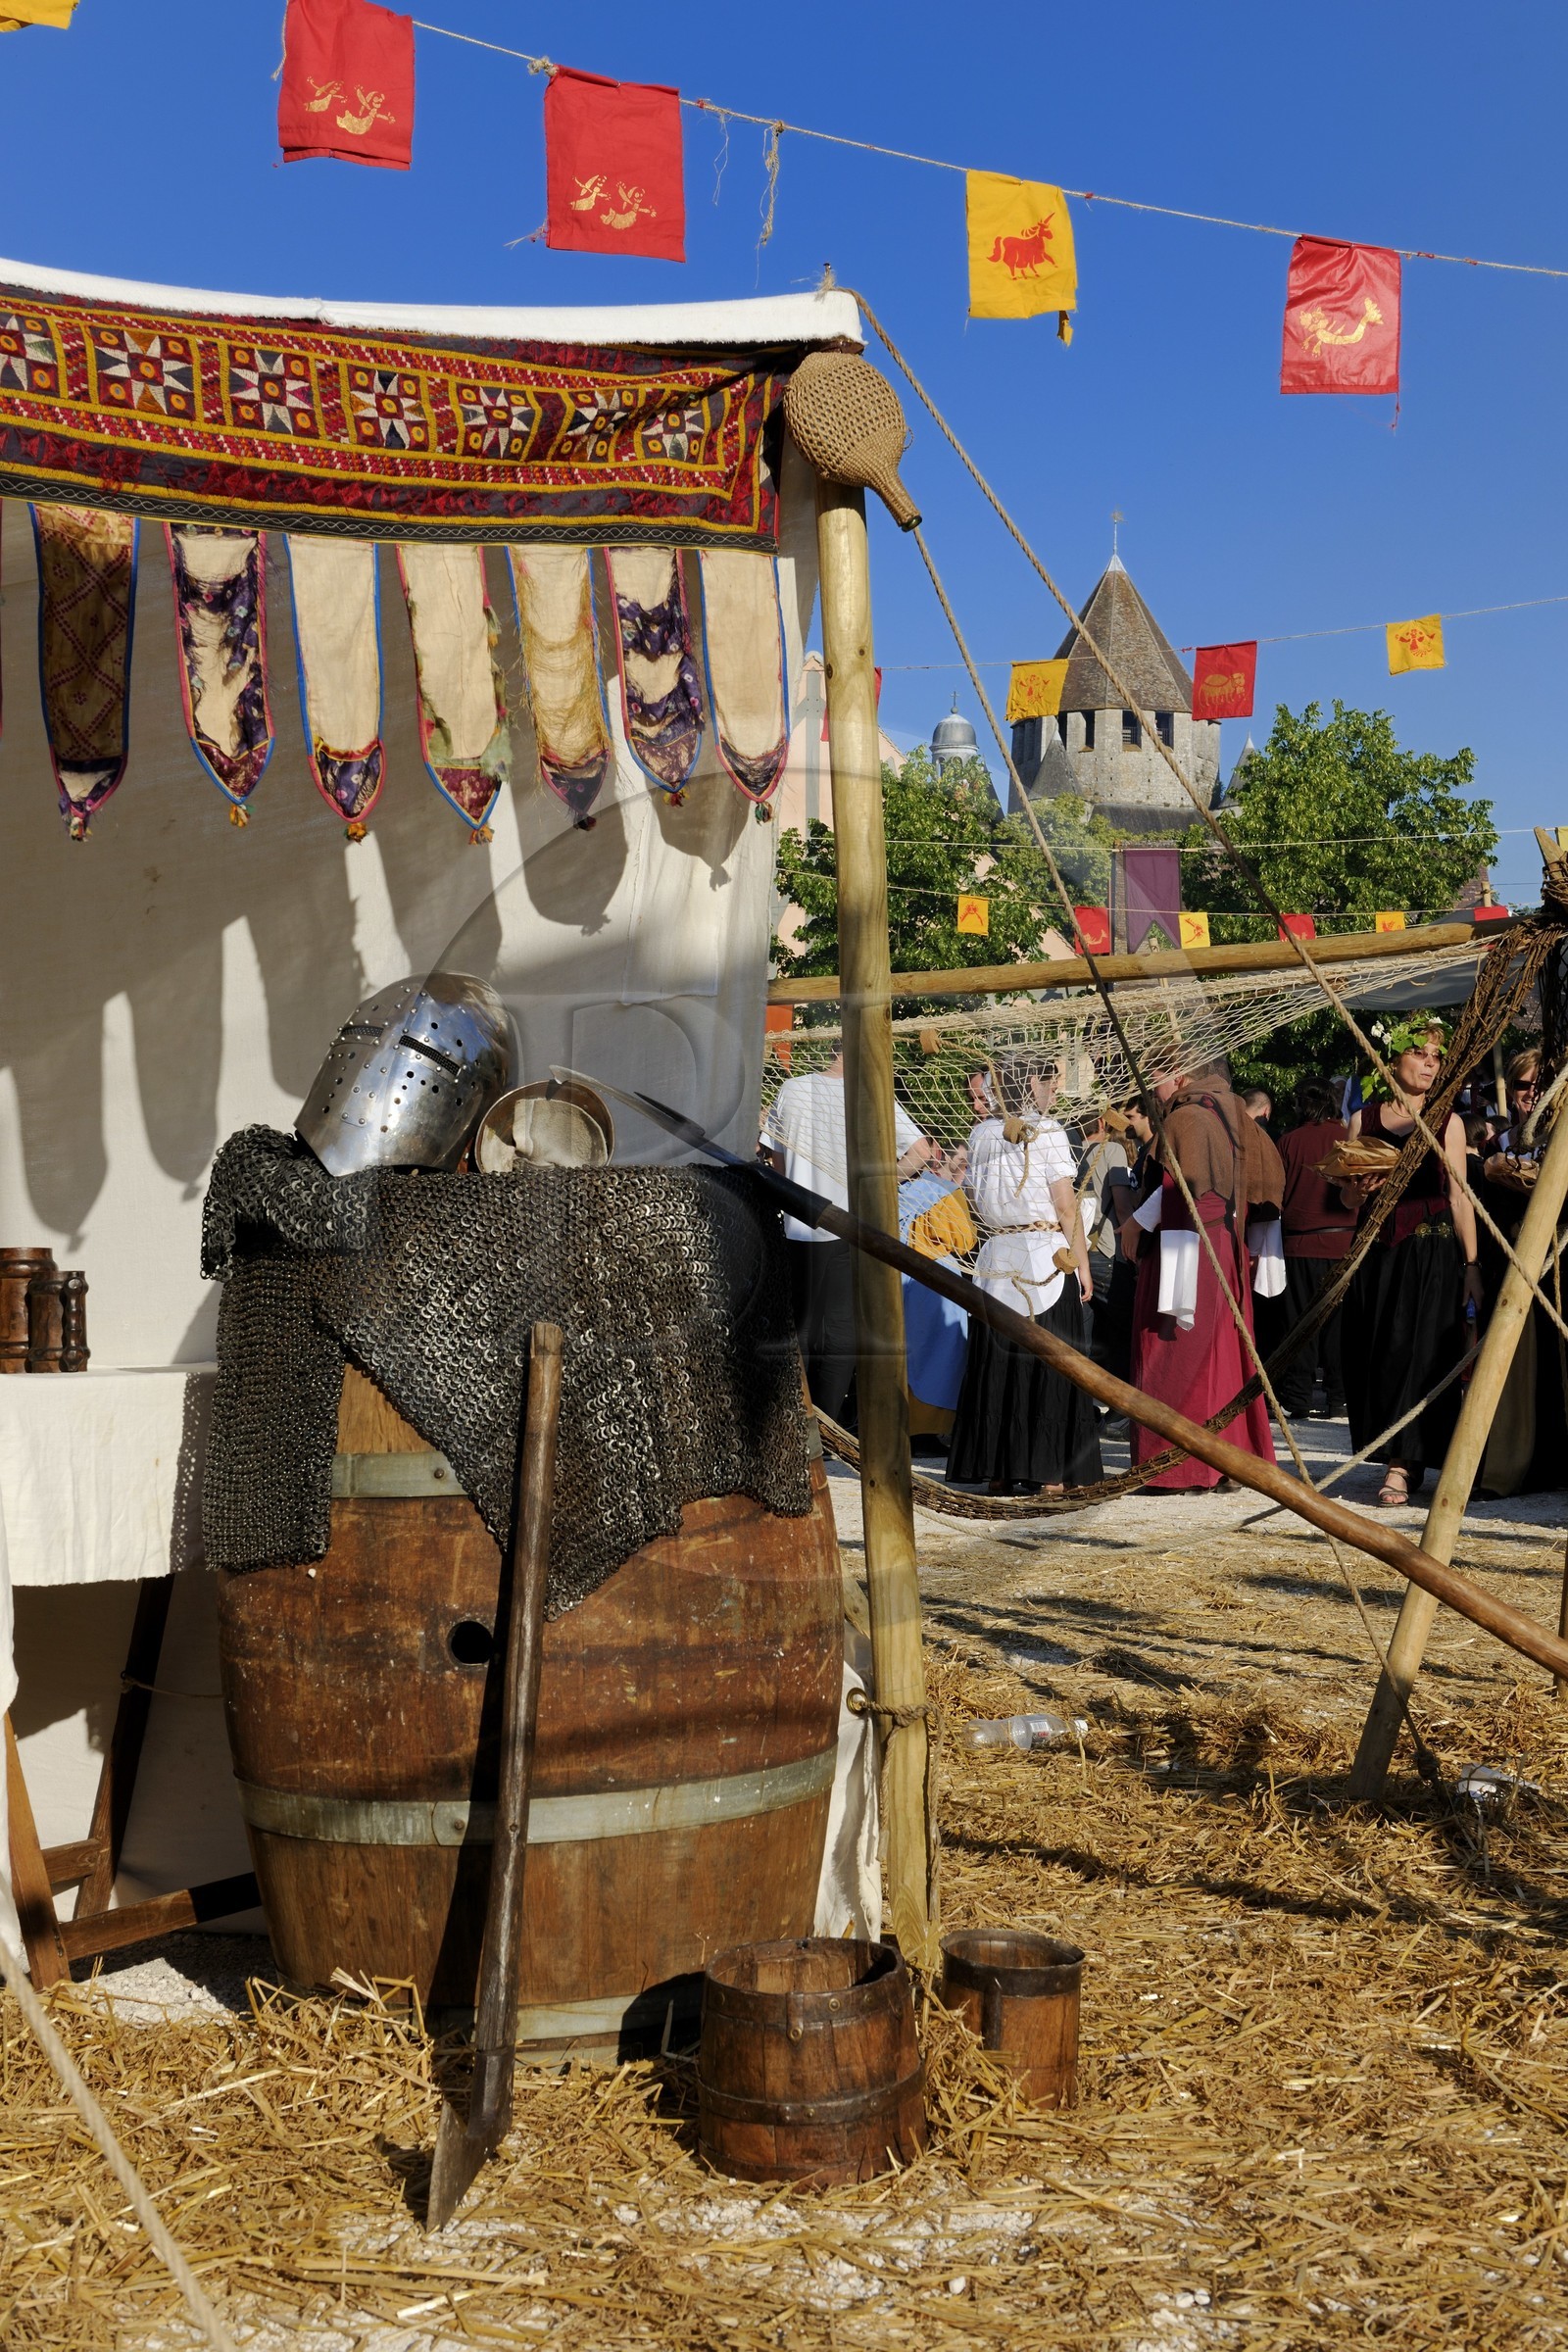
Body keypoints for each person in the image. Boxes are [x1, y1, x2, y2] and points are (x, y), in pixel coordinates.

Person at [1122, 1055, 1285, 1491]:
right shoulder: (1230, 1108)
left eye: (1156, 1078)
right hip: (1222, 1248)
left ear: (1178, 1074)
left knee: (1176, 1349)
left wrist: (1137, 1222)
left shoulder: (1190, 1114)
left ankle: (1181, 1466)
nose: (1154, 1090)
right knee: (1224, 1350)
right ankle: (1228, 1460)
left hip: (1191, 1245)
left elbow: (1183, 1186)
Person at [1339, 1017, 1482, 1508]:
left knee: (1423, 1355)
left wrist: (1472, 1266)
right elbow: (1346, 1197)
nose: (1428, 1063)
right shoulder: (1365, 1119)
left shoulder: (1448, 1120)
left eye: (1436, 1058)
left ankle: (1405, 1465)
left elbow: (1460, 1196)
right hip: (1379, 1253)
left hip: (1431, 1254)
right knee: (1382, 1353)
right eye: (1420, 1053)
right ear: (1394, 1058)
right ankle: (1391, 1452)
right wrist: (1353, 1191)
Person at [948, 1055, 1102, 1495]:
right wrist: (1083, 1264)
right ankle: (1049, 1471)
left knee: (997, 1365)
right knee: (1051, 1365)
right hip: (1045, 1258)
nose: (1053, 1090)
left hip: (997, 1257)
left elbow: (975, 1200)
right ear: (1030, 1083)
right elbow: (1065, 1205)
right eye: (1048, 1081)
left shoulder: (979, 1134)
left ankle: (999, 1468)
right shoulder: (1049, 1131)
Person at [765, 1048, 926, 1426]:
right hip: (850, 1224)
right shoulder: (871, 1093)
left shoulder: (792, 1089)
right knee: (841, 1329)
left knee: (800, 1328)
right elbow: (921, 1152)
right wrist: (873, 1186)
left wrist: (796, 1190)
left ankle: (795, 1422)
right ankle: (829, 1425)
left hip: (798, 1223)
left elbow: (776, 1158)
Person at [1475, 1046, 1566, 1495]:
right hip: (1514, 1266)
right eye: (1524, 1085)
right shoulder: (1500, 1144)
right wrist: (1489, 1171)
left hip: (1560, 1259)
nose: (1533, 1093)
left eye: (1541, 1084)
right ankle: (1508, 1469)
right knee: (1515, 1362)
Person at [1272, 1078, 1355, 1419]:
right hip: (1343, 1242)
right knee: (1339, 1325)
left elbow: (1277, 1192)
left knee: (1300, 1324)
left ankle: (1299, 1398)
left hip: (1300, 1245)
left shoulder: (1289, 1142)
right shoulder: (1349, 1137)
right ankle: (1338, 1397)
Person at [899, 1141, 976, 1451]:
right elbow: (965, 1239)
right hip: (940, 1281)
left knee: (909, 1353)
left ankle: (908, 1426)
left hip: (901, 1275)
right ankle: (932, 1431)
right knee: (942, 1356)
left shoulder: (887, 1193)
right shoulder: (942, 1190)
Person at [1075, 1106, 1132, 1368]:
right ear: (1101, 1123)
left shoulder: (1072, 1154)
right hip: (1108, 1249)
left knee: (1090, 1332)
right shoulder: (1112, 1151)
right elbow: (1121, 1205)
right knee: (1124, 1328)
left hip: (1080, 1252)